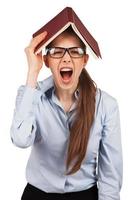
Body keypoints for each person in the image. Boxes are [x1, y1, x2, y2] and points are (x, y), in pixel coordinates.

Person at [10, 26, 123, 200]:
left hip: (85, 196)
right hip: (38, 195)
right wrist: (33, 71)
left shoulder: (106, 105)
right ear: (47, 60)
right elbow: (20, 139)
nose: (66, 59)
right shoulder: (31, 96)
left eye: (75, 52)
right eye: (57, 52)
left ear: (85, 60)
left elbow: (110, 177)